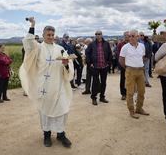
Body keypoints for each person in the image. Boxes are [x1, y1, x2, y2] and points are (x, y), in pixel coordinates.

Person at [19, 17, 74, 148]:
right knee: (44, 111)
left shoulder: (60, 48)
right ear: (43, 35)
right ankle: (47, 135)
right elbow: (28, 43)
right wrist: (33, 25)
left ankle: (61, 134)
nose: (50, 37)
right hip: (43, 86)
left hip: (59, 85)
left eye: (52, 35)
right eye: (48, 35)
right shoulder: (38, 48)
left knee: (62, 109)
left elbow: (68, 66)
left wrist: (66, 65)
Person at [119, 29, 149, 119]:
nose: (130, 38)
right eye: (129, 36)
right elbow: (121, 60)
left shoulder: (142, 46)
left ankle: (139, 108)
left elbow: (142, 57)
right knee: (130, 92)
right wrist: (128, 68)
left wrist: (139, 65)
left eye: (133, 36)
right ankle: (131, 111)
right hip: (130, 71)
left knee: (142, 91)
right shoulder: (125, 47)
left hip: (140, 71)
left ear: (137, 37)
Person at [86, 30, 112, 105]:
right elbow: (87, 53)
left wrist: (108, 63)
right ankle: (94, 98)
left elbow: (110, 54)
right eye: (96, 34)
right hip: (95, 67)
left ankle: (102, 97)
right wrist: (90, 63)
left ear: (102, 35)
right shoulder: (92, 44)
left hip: (104, 66)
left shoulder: (106, 44)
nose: (97, 35)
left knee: (103, 83)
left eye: (99, 34)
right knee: (95, 82)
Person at [116, 31, 129, 100]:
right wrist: (122, 64)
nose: (127, 36)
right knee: (123, 79)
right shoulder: (120, 44)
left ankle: (129, 93)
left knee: (130, 80)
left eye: (128, 35)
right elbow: (118, 54)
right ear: (124, 36)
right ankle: (123, 94)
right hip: (123, 65)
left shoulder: (131, 44)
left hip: (131, 65)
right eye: (126, 35)